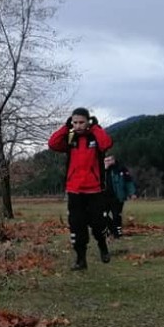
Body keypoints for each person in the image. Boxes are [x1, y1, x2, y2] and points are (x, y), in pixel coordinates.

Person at [48, 107, 113, 270]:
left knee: (98, 224)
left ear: (88, 121)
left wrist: (96, 127)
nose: (78, 125)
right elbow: (53, 143)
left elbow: (106, 144)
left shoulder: (95, 137)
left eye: (81, 122)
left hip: (94, 190)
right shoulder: (70, 138)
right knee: (77, 227)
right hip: (75, 190)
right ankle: (80, 260)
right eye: (75, 122)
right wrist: (65, 127)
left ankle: (103, 246)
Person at [103, 155, 137, 239]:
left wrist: (132, 193)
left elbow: (128, 181)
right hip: (103, 197)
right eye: (106, 160)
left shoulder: (121, 169)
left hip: (117, 196)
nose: (108, 162)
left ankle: (117, 232)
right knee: (102, 215)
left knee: (116, 215)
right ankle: (111, 229)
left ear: (114, 160)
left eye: (109, 160)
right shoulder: (100, 170)